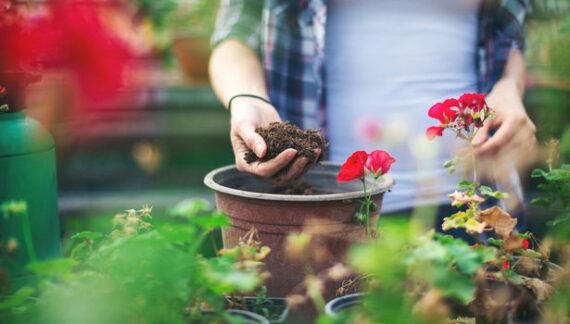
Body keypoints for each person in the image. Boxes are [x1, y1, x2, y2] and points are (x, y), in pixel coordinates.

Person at [208, 0, 537, 220]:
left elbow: (509, 41)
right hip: (328, 212)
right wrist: (247, 98)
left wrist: (509, 87)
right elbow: (234, 37)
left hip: (477, 209)